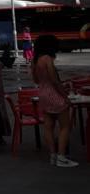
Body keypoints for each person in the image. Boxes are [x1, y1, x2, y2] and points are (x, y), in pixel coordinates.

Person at [32, 35, 77, 168]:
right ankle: (61, 157)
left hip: (43, 94)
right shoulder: (47, 59)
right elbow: (54, 80)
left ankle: (53, 155)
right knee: (65, 127)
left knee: (48, 126)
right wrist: (65, 96)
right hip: (54, 94)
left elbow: (36, 80)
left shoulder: (35, 61)